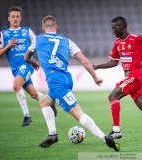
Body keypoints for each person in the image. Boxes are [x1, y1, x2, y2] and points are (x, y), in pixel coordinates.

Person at [24, 15, 120, 151]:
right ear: (55, 26)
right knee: (44, 102)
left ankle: (104, 138)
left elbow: (26, 57)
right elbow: (85, 61)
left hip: (56, 81)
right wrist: (95, 77)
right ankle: (52, 135)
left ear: (43, 27)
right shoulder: (67, 41)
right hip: (66, 78)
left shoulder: (37, 39)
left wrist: (33, 62)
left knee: (77, 113)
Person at [0, 6, 57, 127]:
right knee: (34, 94)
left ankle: (27, 116)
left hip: (26, 65)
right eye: (13, 17)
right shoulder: (4, 34)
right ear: (9, 18)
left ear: (20, 18)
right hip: (15, 69)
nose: (15, 19)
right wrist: (8, 45)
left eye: (17, 17)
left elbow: (37, 43)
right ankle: (51, 101)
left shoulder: (27, 31)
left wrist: (32, 58)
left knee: (16, 86)